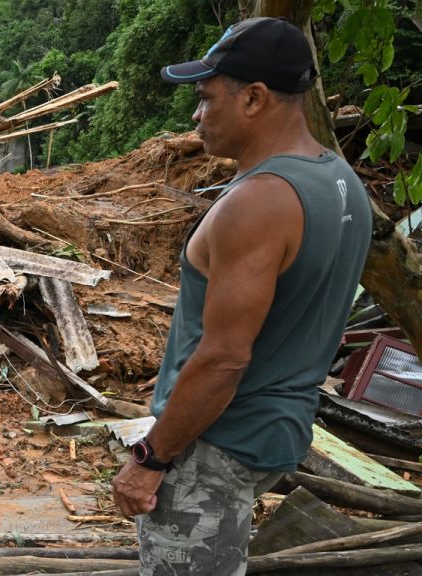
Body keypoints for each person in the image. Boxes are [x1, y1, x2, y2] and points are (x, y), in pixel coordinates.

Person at [110, 17, 372, 576]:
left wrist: (151, 459)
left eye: (206, 98)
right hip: (277, 432)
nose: (196, 115)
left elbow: (225, 357)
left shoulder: (257, 203)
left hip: (214, 444)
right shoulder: (342, 181)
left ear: (254, 98)